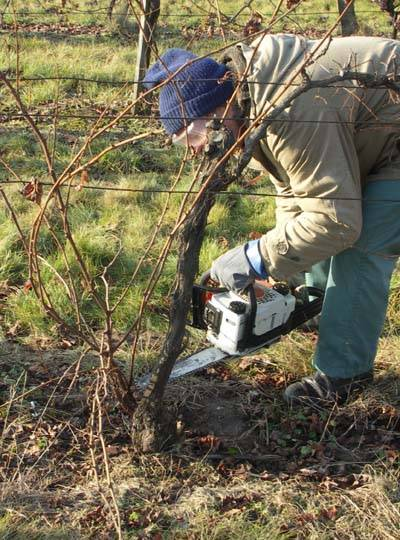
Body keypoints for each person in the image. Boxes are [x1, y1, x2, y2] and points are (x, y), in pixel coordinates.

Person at [143, 34, 400, 406]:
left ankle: (344, 376)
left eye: (195, 136)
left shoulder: (288, 105)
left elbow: (336, 222)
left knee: (361, 244)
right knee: (326, 224)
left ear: (217, 110)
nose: (198, 150)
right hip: (378, 130)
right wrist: (279, 270)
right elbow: (295, 189)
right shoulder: (250, 99)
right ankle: (320, 305)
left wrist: (256, 256)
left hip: (394, 140)